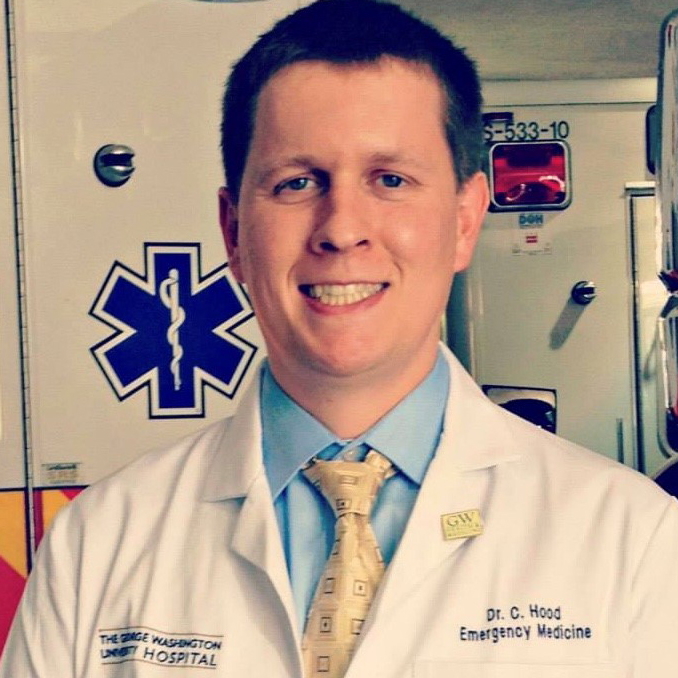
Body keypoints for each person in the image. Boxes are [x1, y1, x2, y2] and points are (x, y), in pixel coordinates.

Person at [3, 0, 678, 675]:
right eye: (297, 182)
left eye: (390, 180)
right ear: (233, 231)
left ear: (466, 221)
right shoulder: (96, 546)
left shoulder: (632, 540)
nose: (341, 228)